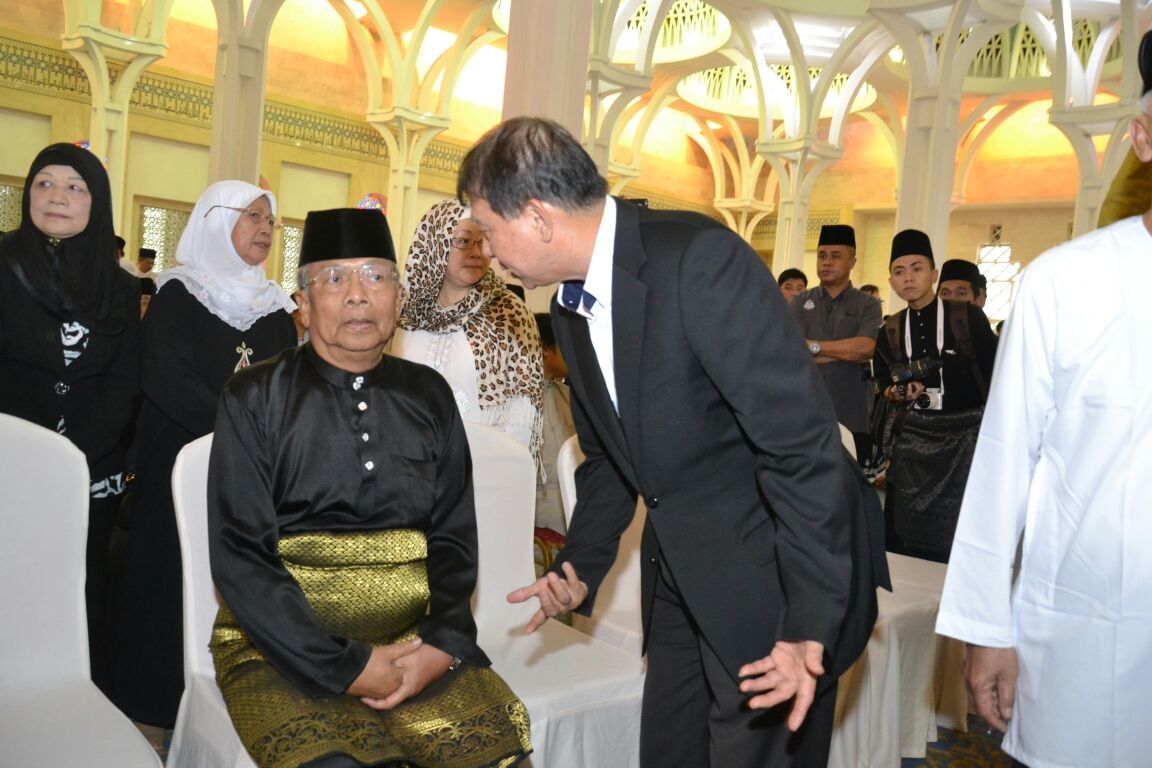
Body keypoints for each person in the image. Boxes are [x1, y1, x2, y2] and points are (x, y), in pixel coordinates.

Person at [458, 116, 885, 768]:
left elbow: (801, 450)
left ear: (538, 217)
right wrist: (578, 568)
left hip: (777, 570)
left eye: (488, 230)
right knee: (669, 747)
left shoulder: (699, 261)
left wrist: (807, 624)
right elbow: (608, 457)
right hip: (684, 566)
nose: (486, 251)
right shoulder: (571, 306)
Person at [208, 207, 531, 768]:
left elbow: (454, 537)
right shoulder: (254, 397)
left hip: (415, 643)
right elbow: (241, 556)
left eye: (376, 277)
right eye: (334, 278)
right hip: (282, 651)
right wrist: (347, 666)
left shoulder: (429, 395)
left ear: (399, 299)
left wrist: (442, 644)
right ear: (302, 304)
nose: (358, 295)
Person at [937, 38, 1152, 768]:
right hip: (1089, 636)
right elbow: (1005, 461)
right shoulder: (1066, 282)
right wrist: (985, 627)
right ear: (1143, 138)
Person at [112, 180, 297, 727]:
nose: (266, 229)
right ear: (217, 221)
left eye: (270, 220)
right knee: (169, 573)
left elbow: (287, 386)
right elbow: (165, 378)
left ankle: (227, 699)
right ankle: (156, 698)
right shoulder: (178, 293)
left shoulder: (276, 308)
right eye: (253, 216)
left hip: (254, 472)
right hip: (178, 461)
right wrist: (241, 430)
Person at [0, 142, 140, 693]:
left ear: (96, 201)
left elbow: (125, 378)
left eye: (75, 187)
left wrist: (75, 453)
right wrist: (34, 452)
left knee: (81, 586)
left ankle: (76, 700)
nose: (57, 196)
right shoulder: (3, 264)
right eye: (44, 183)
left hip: (91, 468)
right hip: (12, 460)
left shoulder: (121, 286)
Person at [872, 229, 997, 562]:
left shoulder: (966, 317)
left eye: (917, 268)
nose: (908, 278)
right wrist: (897, 391)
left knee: (963, 537)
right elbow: (883, 382)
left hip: (966, 442)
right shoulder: (890, 329)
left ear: (933, 274)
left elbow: (997, 374)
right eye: (899, 271)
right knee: (905, 537)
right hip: (914, 443)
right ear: (892, 281)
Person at [391, 198, 543, 467]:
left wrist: (500, 471)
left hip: (478, 468)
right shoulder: (403, 310)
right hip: (402, 461)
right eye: (463, 241)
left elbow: (523, 412)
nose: (476, 252)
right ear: (435, 244)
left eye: (483, 241)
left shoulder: (508, 314)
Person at [789, 224, 883, 461]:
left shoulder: (867, 304)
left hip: (853, 414)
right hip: (806, 413)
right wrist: (847, 352)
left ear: (852, 261)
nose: (827, 262)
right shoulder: (800, 301)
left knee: (850, 481)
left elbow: (866, 347)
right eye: (822, 255)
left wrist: (814, 347)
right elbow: (795, 351)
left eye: (835, 256)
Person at [533, 312, 575, 535]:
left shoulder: (570, 397)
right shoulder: (518, 404)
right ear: (545, 348)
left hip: (574, 514)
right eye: (565, 343)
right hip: (539, 525)